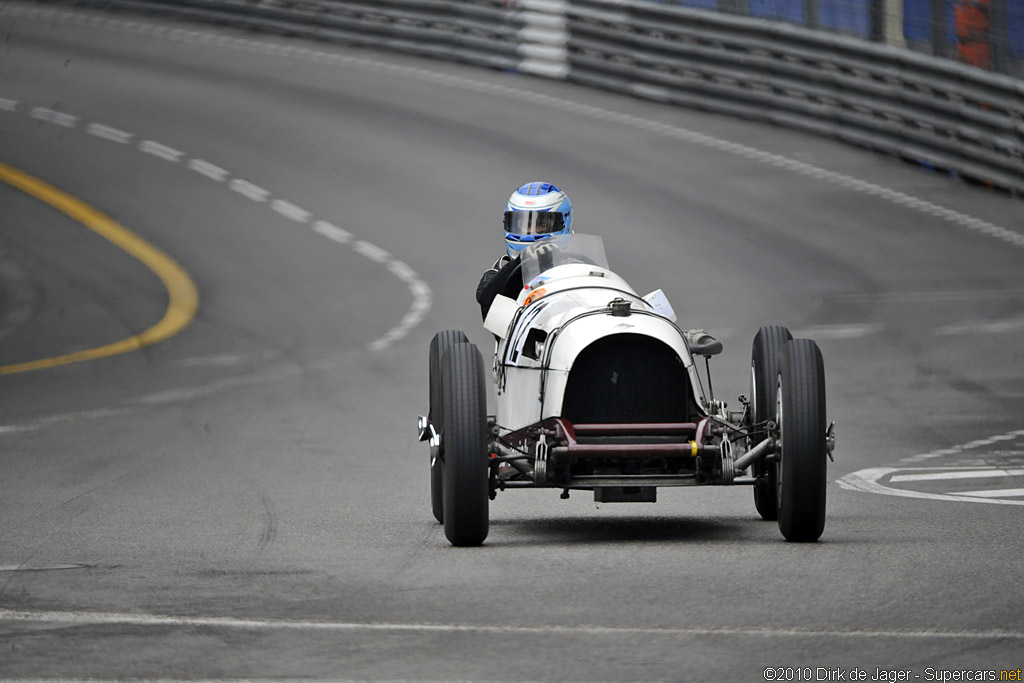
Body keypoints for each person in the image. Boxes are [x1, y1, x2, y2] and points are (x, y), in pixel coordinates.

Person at [476, 181, 572, 320]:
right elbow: (486, 301)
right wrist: (523, 262)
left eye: (541, 224)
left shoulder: (580, 263)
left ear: (563, 222)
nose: (530, 231)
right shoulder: (499, 271)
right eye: (522, 224)